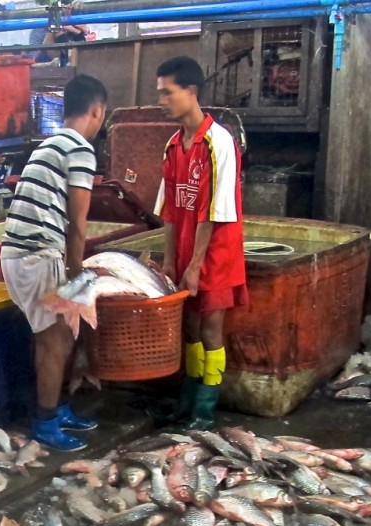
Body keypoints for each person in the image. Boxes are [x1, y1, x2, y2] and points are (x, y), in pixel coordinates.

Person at [0, 74, 107, 452]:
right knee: (54, 342)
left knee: (58, 335)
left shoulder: (52, 143)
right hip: (36, 256)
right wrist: (77, 276)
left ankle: (57, 408)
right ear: (97, 110)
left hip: (24, 253)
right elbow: (77, 223)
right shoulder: (79, 148)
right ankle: (44, 423)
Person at [153, 55, 247, 430]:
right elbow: (171, 210)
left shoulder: (218, 141)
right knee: (189, 327)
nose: (161, 100)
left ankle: (205, 411)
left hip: (216, 253)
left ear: (190, 92)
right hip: (186, 250)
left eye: (166, 92)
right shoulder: (174, 145)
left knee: (210, 328)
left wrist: (194, 264)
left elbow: (215, 210)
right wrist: (170, 259)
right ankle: (187, 401)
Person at [28, 0, 91, 66]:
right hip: (49, 62)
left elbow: (86, 33)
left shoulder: (76, 21)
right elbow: (35, 56)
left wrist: (72, 28)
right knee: (55, 30)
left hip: (75, 59)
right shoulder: (39, 28)